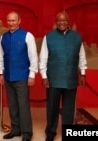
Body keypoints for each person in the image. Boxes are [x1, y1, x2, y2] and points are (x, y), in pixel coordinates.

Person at [39, 11, 87, 141]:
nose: (62, 22)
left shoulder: (77, 37)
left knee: (69, 109)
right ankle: (50, 133)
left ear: (68, 21)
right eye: (59, 20)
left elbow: (81, 56)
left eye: (64, 20)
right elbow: (43, 58)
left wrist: (82, 73)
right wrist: (44, 76)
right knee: (52, 108)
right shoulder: (48, 37)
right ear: (55, 22)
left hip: (71, 78)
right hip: (53, 79)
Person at [0, 11, 38, 141]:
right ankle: (15, 129)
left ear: (19, 21)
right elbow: (1, 57)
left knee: (23, 105)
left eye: (13, 20)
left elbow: (33, 56)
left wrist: (32, 75)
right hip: (8, 76)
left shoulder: (28, 36)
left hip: (22, 77)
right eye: (9, 20)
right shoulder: (3, 37)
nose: (11, 23)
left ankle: (27, 132)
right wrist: (1, 73)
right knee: (12, 104)